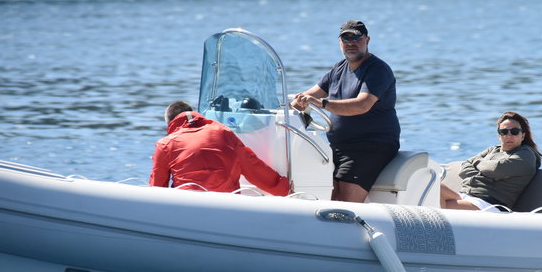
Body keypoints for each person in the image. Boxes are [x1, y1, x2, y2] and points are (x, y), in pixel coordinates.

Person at [291, 20, 400, 203]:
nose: (351, 43)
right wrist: (290, 106)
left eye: (356, 38)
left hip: (369, 147)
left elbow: (362, 105)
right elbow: (307, 96)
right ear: (339, 42)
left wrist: (321, 103)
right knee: (320, 191)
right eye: (345, 39)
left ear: (367, 40)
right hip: (337, 147)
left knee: (343, 202)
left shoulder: (378, 70)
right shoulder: (338, 69)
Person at [149, 100, 290, 196]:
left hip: (187, 204)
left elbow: (157, 189)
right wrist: (283, 188)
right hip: (225, 203)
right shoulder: (223, 132)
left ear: (170, 123)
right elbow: (251, 165)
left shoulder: (165, 144)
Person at [440, 111, 542, 211]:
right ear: (499, 135)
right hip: (467, 195)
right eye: (504, 132)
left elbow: (497, 169)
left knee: (438, 203)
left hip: (489, 204)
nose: (509, 135)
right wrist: (484, 173)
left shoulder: (526, 155)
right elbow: (465, 166)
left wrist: (478, 164)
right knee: (436, 187)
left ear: (523, 135)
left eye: (514, 131)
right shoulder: (492, 150)